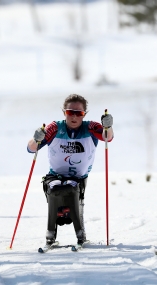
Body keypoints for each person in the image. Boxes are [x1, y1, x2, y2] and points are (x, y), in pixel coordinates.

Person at [27, 94, 113, 246]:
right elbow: (31, 148)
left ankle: (80, 233)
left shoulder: (90, 127)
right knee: (54, 191)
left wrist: (108, 126)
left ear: (84, 114)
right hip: (55, 175)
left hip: (79, 177)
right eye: (69, 112)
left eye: (78, 113)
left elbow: (108, 137)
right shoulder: (54, 128)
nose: (74, 116)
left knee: (73, 192)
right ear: (64, 112)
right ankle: (50, 234)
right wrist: (36, 138)